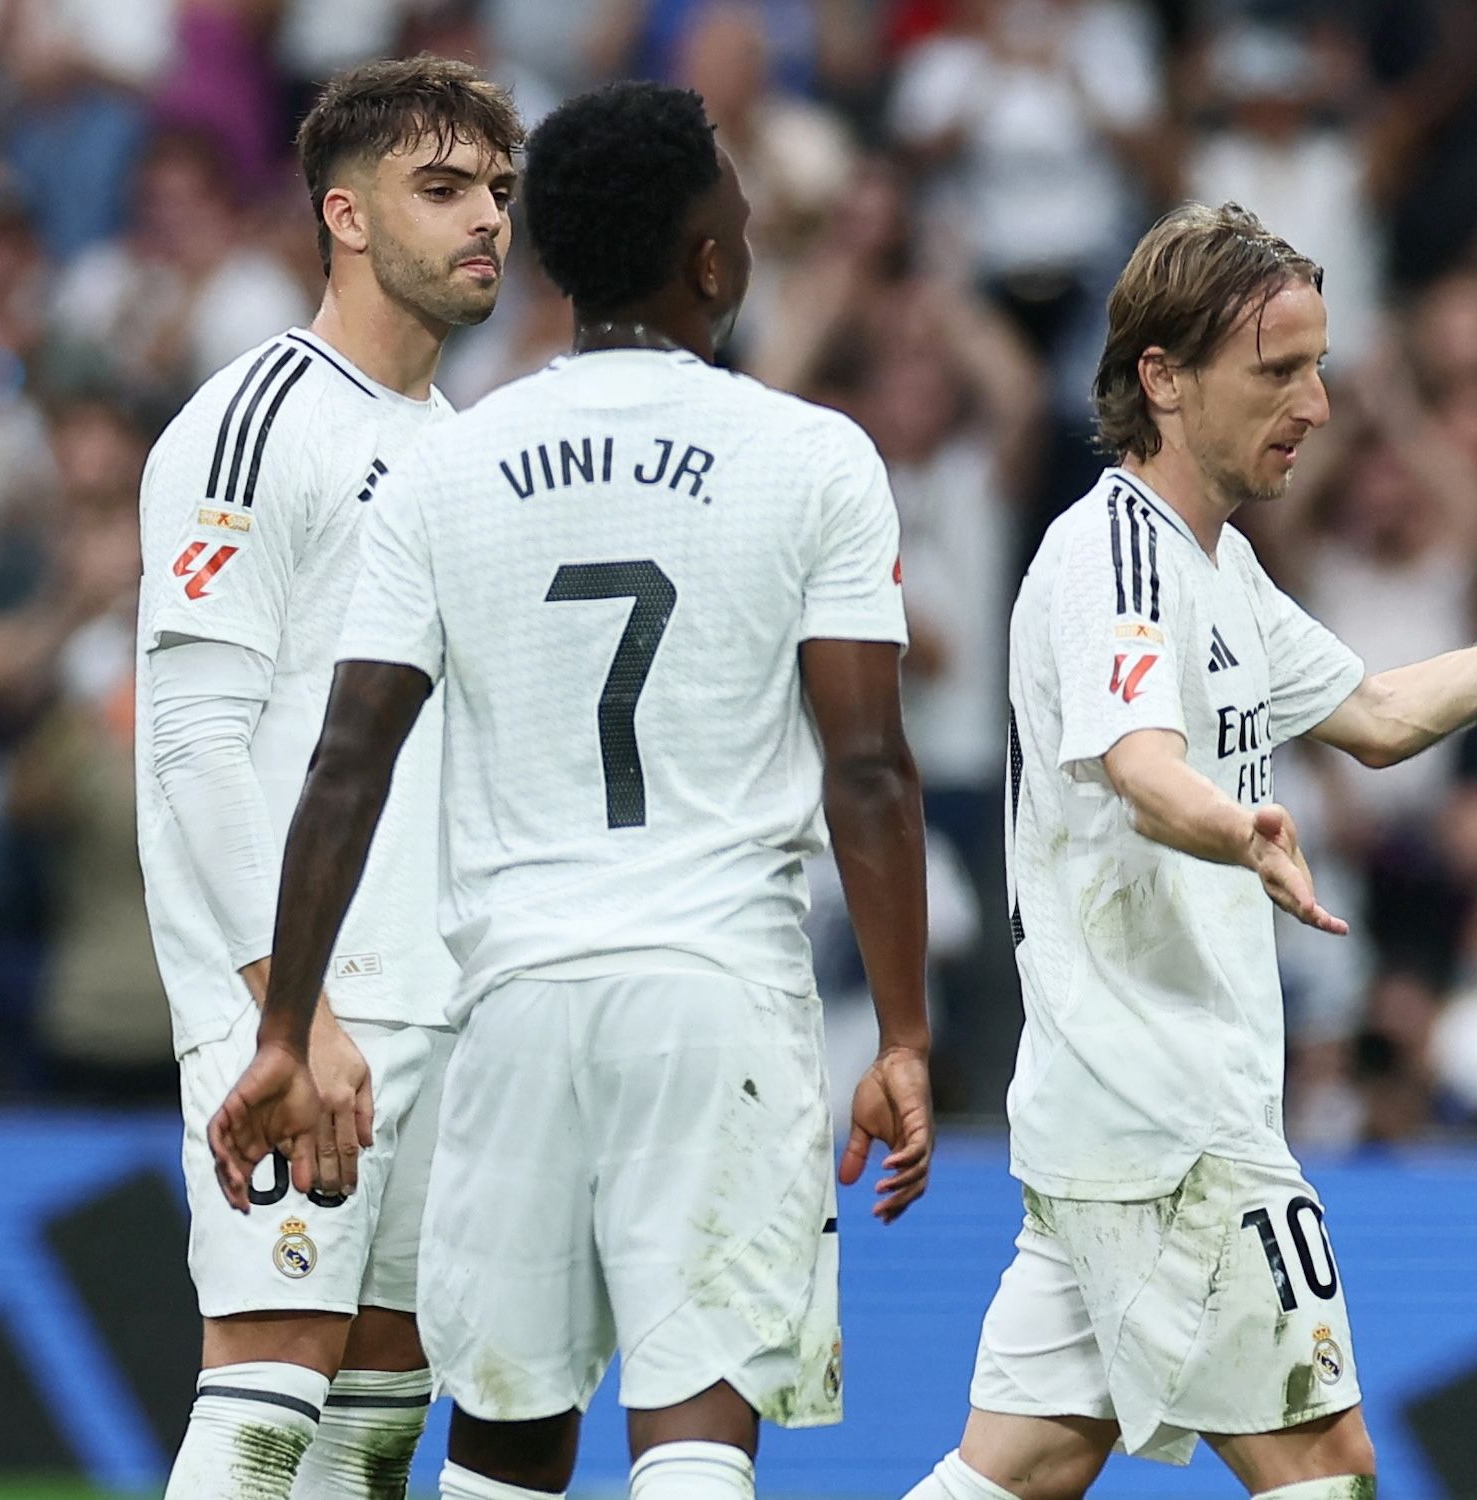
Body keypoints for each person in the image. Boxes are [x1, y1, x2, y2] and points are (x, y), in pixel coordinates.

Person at [204, 82, 938, 1500]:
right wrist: (903, 1032)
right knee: (695, 1431)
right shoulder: (815, 457)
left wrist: (286, 1023)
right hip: (717, 993)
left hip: (517, 1002)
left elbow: (347, 760)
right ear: (714, 262)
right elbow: (867, 766)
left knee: (506, 1441)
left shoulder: (447, 465)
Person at [898, 201, 1477, 1500]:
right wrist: (1242, 826)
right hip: (1171, 1120)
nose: (1319, 403)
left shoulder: (1215, 566)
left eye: (1319, 364)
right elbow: (1141, 764)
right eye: (1278, 370)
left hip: (1121, 1107)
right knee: (1324, 1465)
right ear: (1163, 379)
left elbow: (1380, 716)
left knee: (1021, 1468)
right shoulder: (1112, 553)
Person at [133, 57, 522, 1500]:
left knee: (379, 1412)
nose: (485, 219)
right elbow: (195, 746)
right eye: (442, 190)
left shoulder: (470, 453)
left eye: (496, 191)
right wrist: (288, 1011)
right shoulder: (253, 424)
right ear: (344, 217)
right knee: (269, 1384)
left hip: (443, 987)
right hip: (299, 999)